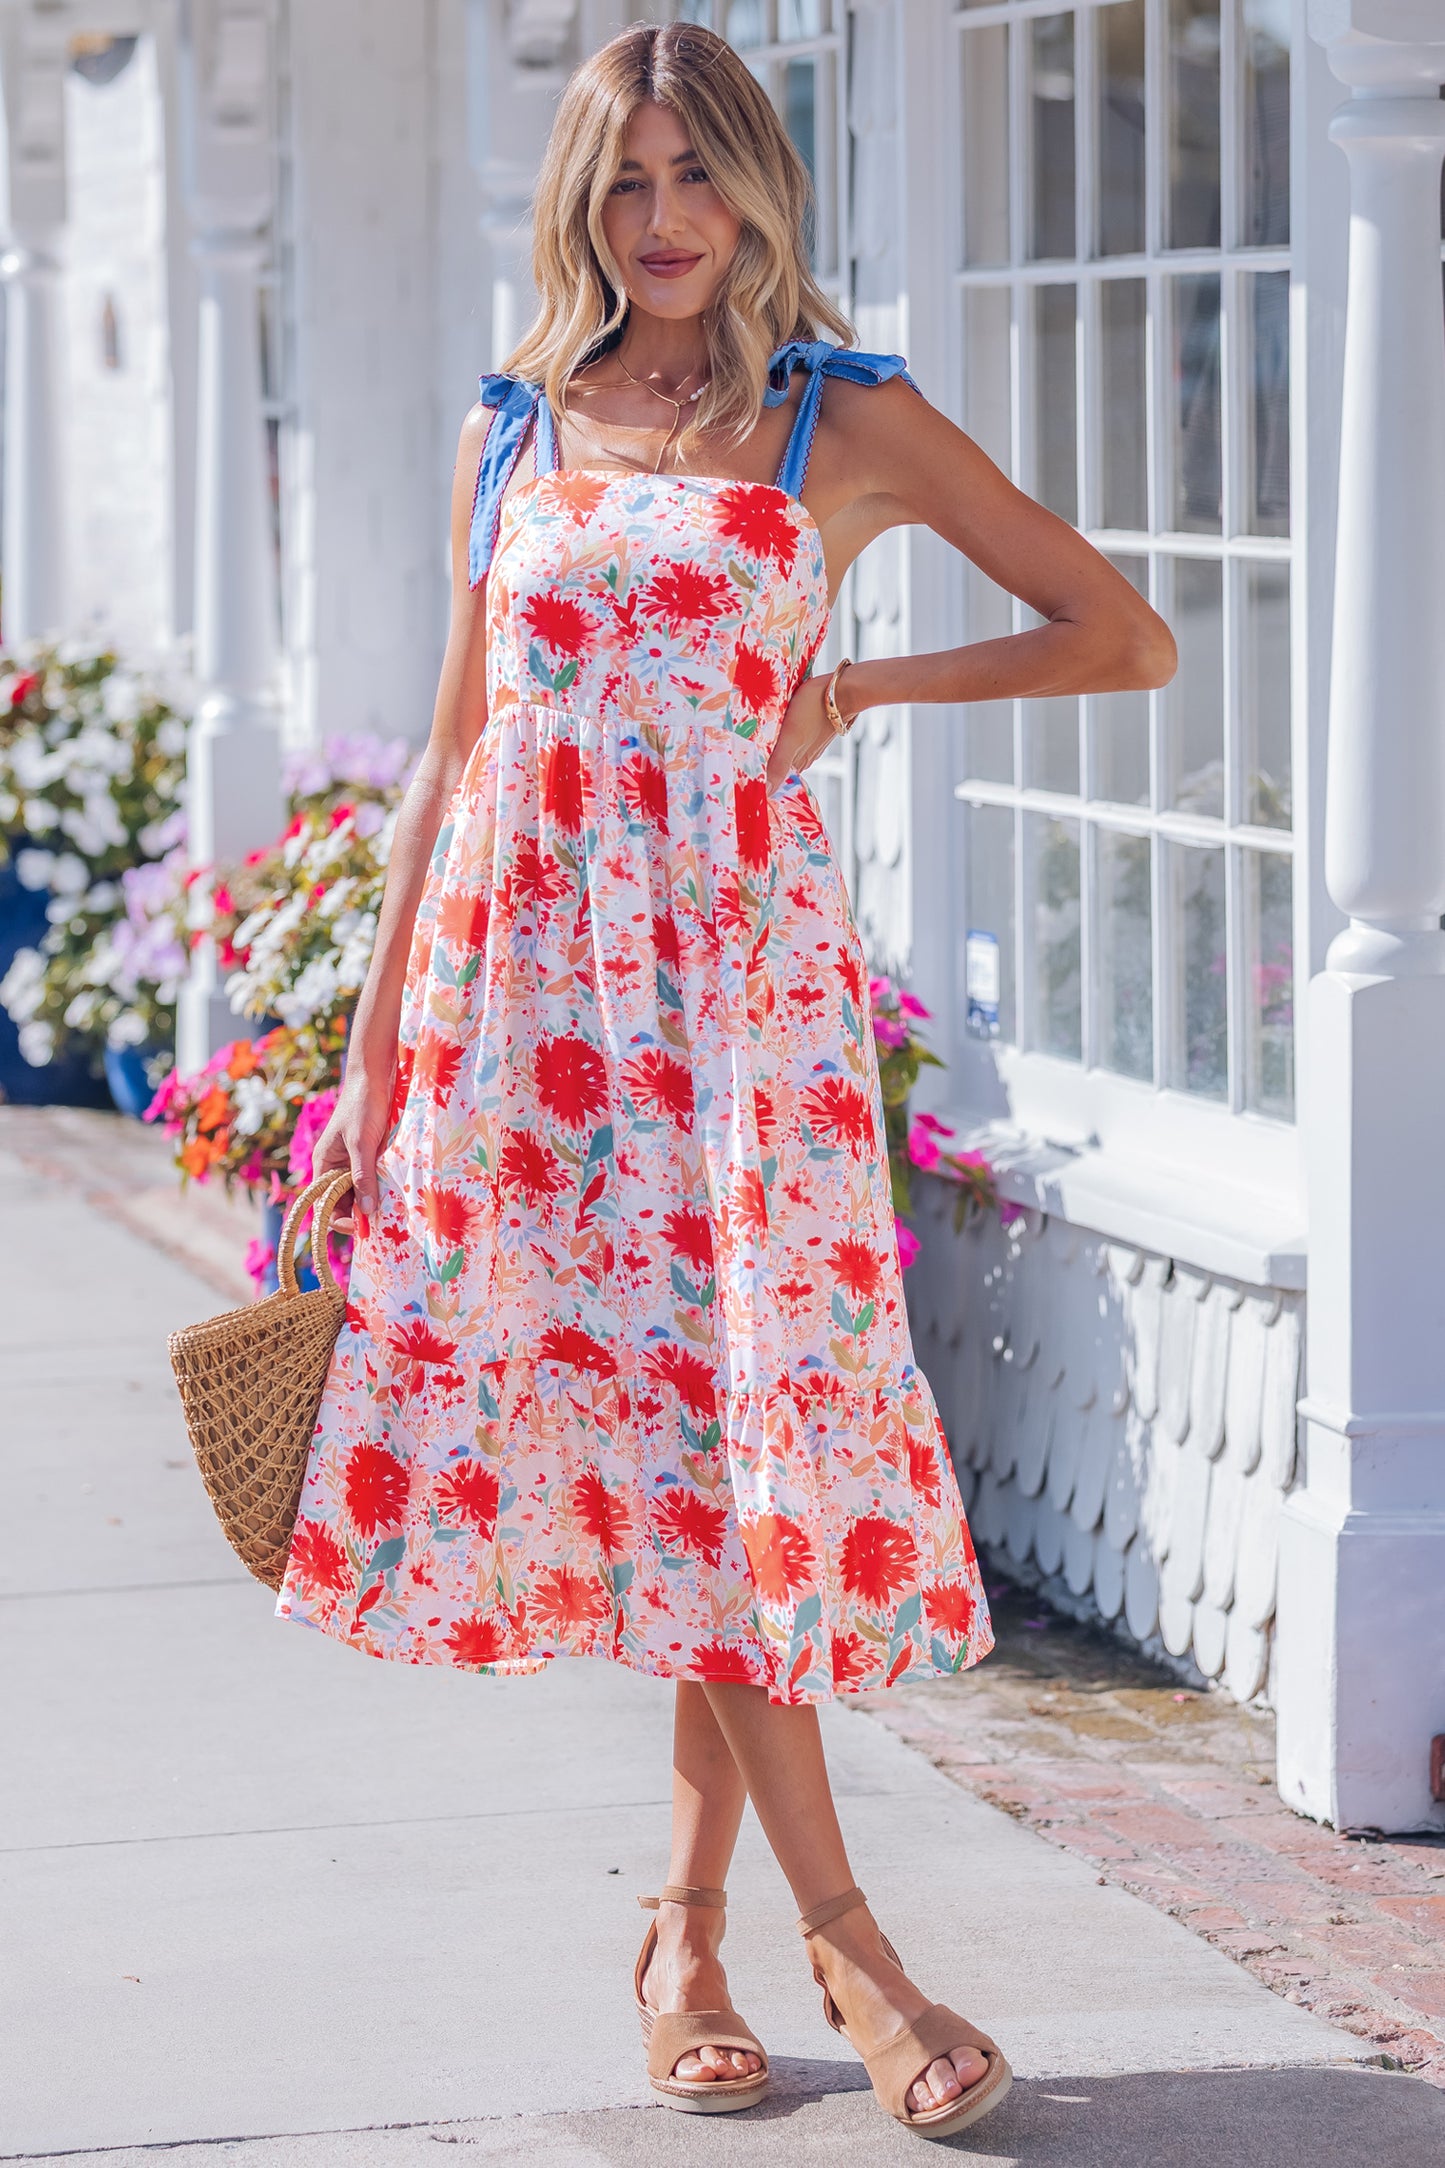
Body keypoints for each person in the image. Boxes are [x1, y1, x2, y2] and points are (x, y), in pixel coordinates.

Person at [279, 19, 1176, 2141]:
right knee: (684, 1460)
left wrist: (857, 680)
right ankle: (761, 1939)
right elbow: (452, 761)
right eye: (621, 184)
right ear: (577, 206)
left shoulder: (835, 422)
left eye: (695, 178)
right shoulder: (524, 425)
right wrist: (374, 1069)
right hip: (537, 1022)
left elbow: (1114, 631)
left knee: (735, 1457)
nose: (660, 224)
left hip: (740, 1024)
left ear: (759, 187)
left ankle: (779, 1934)